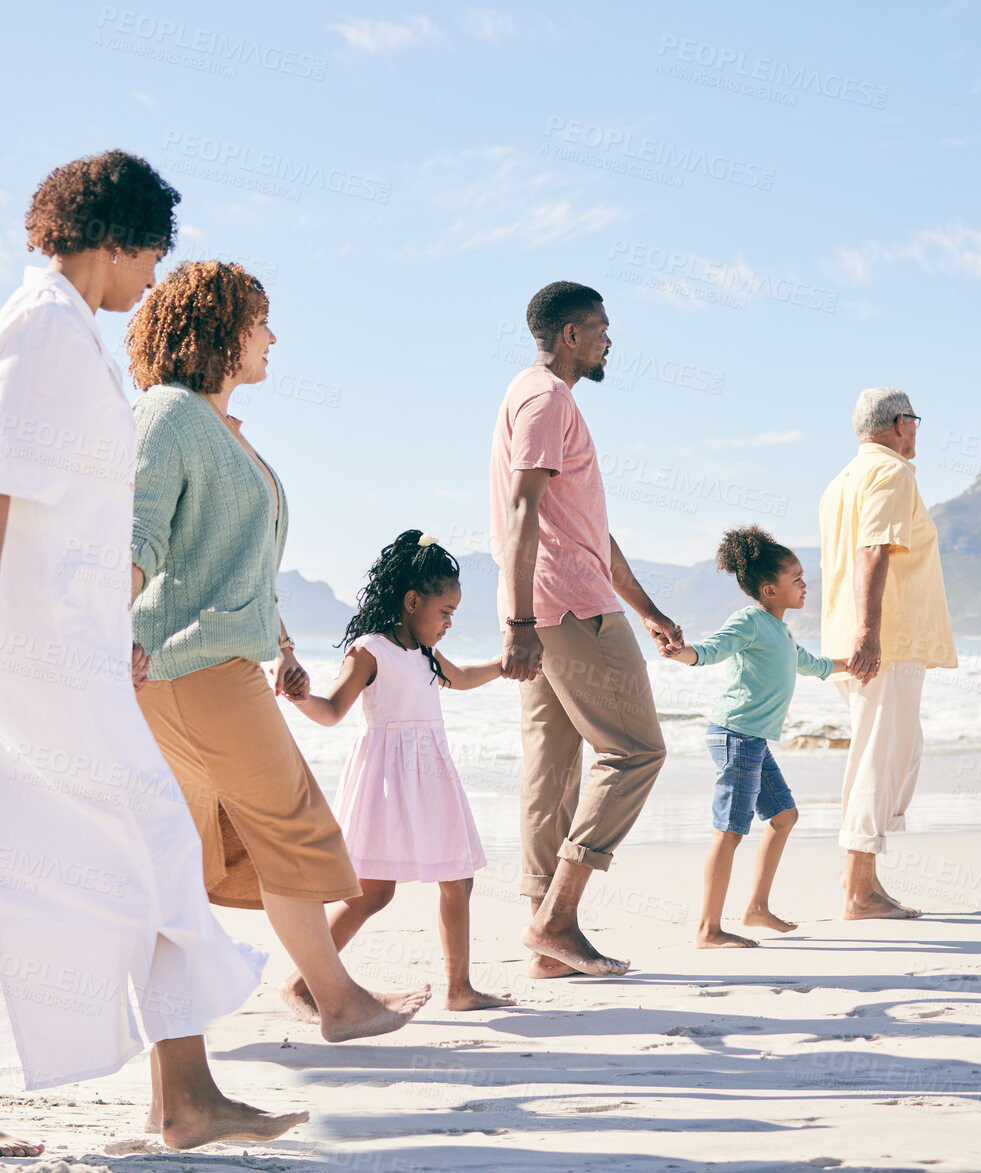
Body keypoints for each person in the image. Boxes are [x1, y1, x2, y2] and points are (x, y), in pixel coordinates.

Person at [0, 151, 306, 1158]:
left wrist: (103, 633)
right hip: (24, 651)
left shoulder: (58, 329)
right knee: (143, 841)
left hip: (59, 645)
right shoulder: (40, 325)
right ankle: (179, 1100)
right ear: (122, 238)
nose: (152, 280)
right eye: (153, 254)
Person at [128, 260, 431, 1052]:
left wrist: (284, 643)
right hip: (188, 665)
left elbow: (238, 559)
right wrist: (111, 628)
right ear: (222, 330)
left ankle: (304, 1005)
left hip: (216, 661)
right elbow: (137, 536)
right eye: (260, 320)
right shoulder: (167, 414)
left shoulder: (220, 429)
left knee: (242, 843)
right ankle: (336, 1000)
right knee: (290, 824)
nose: (272, 335)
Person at [489, 280, 682, 979]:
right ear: (569, 334)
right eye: (601, 327)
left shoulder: (530, 395)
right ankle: (557, 918)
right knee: (635, 751)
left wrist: (649, 608)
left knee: (552, 770)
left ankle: (547, 941)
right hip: (568, 609)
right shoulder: (547, 399)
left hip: (554, 607)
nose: (608, 339)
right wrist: (517, 620)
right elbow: (522, 512)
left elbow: (587, 530)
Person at [284, 530, 515, 1012]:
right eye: (445, 612)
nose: (449, 623)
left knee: (458, 878)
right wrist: (301, 695)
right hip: (387, 782)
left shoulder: (424, 652)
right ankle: (302, 984)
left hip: (431, 776)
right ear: (412, 601)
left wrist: (502, 664)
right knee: (372, 894)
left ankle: (459, 989)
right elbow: (330, 712)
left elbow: (465, 678)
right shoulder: (370, 650)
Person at [660, 527, 842, 948]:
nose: (804, 584)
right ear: (769, 589)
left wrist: (860, 662)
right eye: (796, 578)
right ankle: (708, 929)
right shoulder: (750, 621)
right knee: (730, 831)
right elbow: (709, 651)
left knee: (784, 817)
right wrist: (680, 653)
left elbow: (812, 665)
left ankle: (756, 909)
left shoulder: (781, 631)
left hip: (752, 740)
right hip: (735, 736)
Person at [818, 388, 957, 919]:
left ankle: (862, 876)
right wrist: (870, 633)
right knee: (882, 756)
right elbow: (873, 549)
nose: (917, 431)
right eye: (915, 421)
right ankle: (859, 889)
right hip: (884, 641)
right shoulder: (894, 474)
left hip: (853, 638)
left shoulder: (840, 482)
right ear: (901, 423)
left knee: (895, 750)